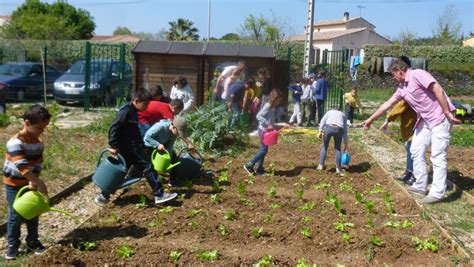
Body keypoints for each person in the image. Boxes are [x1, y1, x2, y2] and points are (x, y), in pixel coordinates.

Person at [363, 58, 461, 205]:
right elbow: (387, 104)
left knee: (438, 155)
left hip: (440, 117)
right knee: (415, 149)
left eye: (393, 74)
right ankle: (420, 185)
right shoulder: (402, 88)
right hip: (426, 121)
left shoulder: (417, 74)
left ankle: (437, 193)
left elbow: (437, 89)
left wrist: (447, 111)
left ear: (399, 71)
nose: (393, 77)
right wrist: (371, 119)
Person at [95, 88, 177, 205]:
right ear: (137, 101)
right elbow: (114, 127)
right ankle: (159, 194)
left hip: (133, 147)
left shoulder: (133, 111)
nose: (147, 107)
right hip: (130, 148)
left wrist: (141, 144)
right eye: (145, 104)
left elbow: (133, 131)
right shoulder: (126, 111)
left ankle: (103, 195)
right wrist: (113, 145)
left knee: (123, 170)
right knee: (148, 167)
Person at [3, 105, 51, 260]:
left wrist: (34, 181)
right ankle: (12, 246)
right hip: (13, 183)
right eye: (39, 128)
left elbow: (37, 164)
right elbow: (22, 168)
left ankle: (32, 241)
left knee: (33, 212)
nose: (41, 132)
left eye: (43, 129)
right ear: (27, 123)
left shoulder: (38, 143)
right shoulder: (14, 143)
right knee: (15, 215)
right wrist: (39, 183)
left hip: (29, 182)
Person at [243, 89, 289, 175]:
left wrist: (281, 124)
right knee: (263, 150)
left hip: (266, 131)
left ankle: (260, 168)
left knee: (263, 149)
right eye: (278, 100)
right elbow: (258, 116)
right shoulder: (268, 105)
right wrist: (267, 124)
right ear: (274, 98)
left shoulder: (271, 107)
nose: (279, 101)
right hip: (263, 131)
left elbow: (271, 121)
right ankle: (249, 164)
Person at [143, 116, 195, 184]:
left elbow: (170, 147)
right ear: (174, 127)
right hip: (149, 146)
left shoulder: (174, 133)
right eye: (179, 133)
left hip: (162, 146)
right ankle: (155, 183)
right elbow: (147, 137)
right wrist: (157, 145)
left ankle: (173, 181)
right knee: (151, 166)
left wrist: (168, 161)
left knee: (174, 161)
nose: (179, 135)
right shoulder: (160, 127)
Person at [379, 100, 417, 185]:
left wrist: (388, 119)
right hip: (409, 125)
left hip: (414, 125)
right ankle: (409, 172)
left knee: (414, 151)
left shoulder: (408, 94)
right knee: (409, 150)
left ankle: (415, 175)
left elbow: (399, 107)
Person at [317, 110, 349, 176]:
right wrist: (346, 144)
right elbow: (345, 131)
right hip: (338, 129)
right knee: (337, 149)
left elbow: (323, 120)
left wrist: (320, 130)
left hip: (328, 128)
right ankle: (338, 169)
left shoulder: (329, 112)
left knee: (325, 147)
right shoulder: (343, 115)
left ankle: (320, 166)